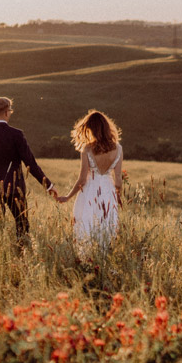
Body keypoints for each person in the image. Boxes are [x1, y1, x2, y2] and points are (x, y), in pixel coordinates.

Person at [0, 96, 55, 240]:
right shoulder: (16, 134)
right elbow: (30, 164)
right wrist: (48, 185)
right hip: (15, 188)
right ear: (7, 112)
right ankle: (22, 254)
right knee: (22, 225)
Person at [54, 109, 123, 257]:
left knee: (86, 225)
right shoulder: (118, 148)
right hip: (108, 191)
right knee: (106, 226)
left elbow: (82, 179)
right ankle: (104, 258)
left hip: (90, 191)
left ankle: (86, 259)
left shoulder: (87, 149)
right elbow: (118, 179)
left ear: (91, 129)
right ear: (106, 127)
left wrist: (67, 197)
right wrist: (118, 197)